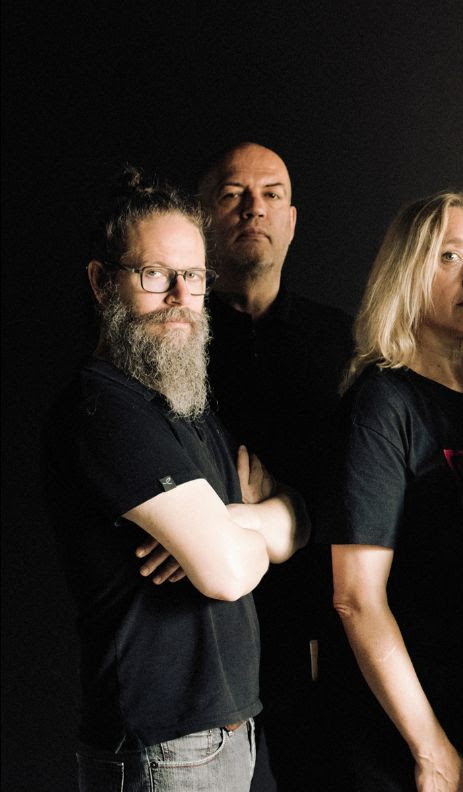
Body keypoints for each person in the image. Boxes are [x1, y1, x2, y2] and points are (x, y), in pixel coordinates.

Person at [45, 168, 308, 791]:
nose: (179, 297)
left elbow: (298, 517)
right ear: (101, 282)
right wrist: (239, 534)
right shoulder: (104, 410)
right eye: (155, 274)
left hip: (220, 737)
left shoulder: (185, 405)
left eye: (193, 276)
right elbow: (227, 573)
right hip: (163, 750)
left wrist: (231, 523)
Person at [325, 191, 463, 791]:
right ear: (408, 272)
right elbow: (356, 598)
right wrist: (430, 748)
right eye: (450, 256)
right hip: (402, 722)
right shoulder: (382, 402)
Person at [198, 141, 354, 790]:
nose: (253, 208)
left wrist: (288, 503)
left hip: (319, 630)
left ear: (291, 222)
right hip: (203, 626)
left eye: (271, 195)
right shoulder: (174, 339)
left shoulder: (344, 342)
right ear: (204, 217)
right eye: (233, 194)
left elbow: (359, 486)